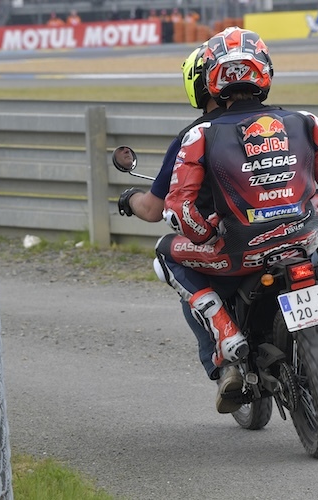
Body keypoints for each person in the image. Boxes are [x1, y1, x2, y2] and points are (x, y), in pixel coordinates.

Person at [155, 27, 318, 413]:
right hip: (304, 239)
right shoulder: (306, 120)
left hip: (236, 254)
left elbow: (181, 213)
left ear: (212, 80)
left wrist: (206, 230)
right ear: (264, 72)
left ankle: (226, 334)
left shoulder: (199, 134)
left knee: (165, 253)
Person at [117, 43, 225, 381]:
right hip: (291, 230)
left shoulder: (193, 136)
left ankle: (221, 364)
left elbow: (152, 209)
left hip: (226, 244)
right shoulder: (283, 121)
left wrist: (129, 197)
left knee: (169, 257)